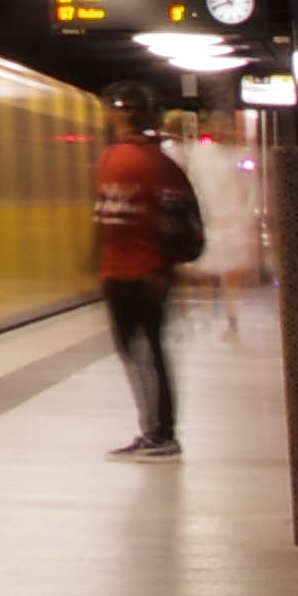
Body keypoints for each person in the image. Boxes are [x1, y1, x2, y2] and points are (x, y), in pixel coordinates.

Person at [93, 99, 201, 457]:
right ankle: (153, 429)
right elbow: (105, 214)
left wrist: (163, 267)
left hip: (143, 272)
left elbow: (174, 215)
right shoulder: (119, 158)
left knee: (146, 353)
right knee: (136, 352)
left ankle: (162, 433)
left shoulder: (151, 162)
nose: (114, 114)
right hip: (123, 271)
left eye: (120, 109)